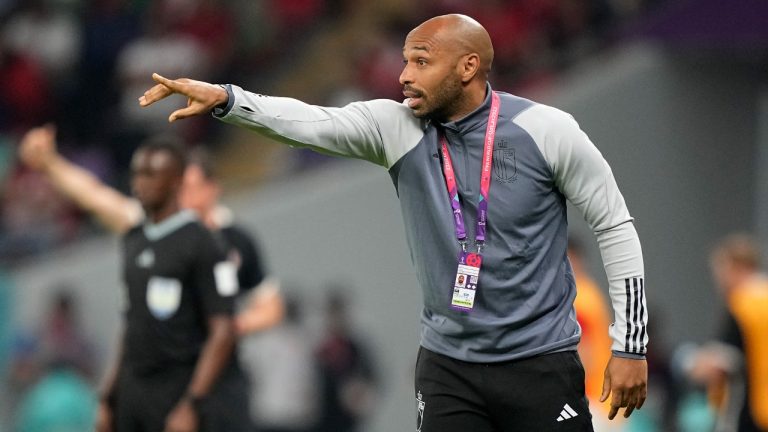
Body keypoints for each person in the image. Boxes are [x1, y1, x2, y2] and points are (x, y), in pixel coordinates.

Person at [139, 13, 648, 431]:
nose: (403, 75)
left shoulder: (548, 130)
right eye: (405, 61)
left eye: (421, 62)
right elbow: (310, 122)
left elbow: (614, 224)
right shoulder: (396, 127)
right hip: (450, 369)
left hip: (540, 364)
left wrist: (631, 346)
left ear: (468, 67)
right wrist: (229, 99)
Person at [18, 125, 284, 337]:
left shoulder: (236, 240)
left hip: (217, 377)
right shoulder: (156, 225)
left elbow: (270, 306)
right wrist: (50, 164)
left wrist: (231, 327)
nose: (182, 198)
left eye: (190, 188)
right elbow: (97, 197)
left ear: (212, 189)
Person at [92, 138, 245, 432]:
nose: (139, 183)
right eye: (137, 173)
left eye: (150, 175)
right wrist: (108, 397)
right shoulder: (133, 239)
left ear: (176, 182)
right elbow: (130, 323)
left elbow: (223, 330)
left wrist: (192, 403)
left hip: (176, 387)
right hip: (133, 389)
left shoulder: (204, 243)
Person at [684, 234, 768, 431]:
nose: (719, 280)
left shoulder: (743, 305)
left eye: (721, 270)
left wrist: (688, 364)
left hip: (754, 414)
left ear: (737, 267)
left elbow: (718, 364)